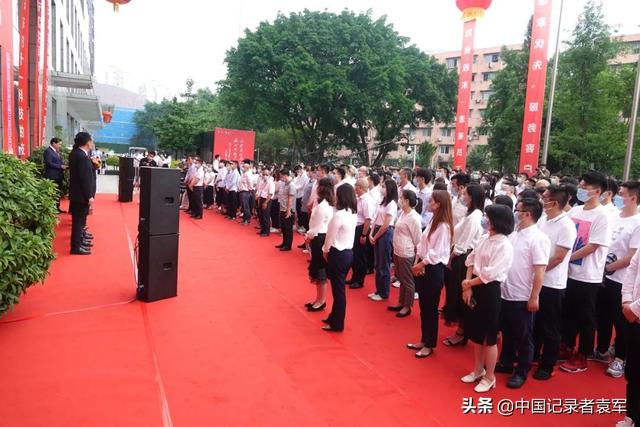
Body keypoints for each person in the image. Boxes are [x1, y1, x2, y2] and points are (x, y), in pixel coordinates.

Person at [560, 171, 612, 373]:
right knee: (568, 312)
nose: (581, 189)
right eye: (580, 186)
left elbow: (593, 246)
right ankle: (566, 346)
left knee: (586, 317)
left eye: (585, 187)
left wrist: (566, 258)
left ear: (597, 191)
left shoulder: (603, 215)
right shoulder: (575, 211)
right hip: (569, 272)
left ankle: (583, 354)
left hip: (588, 275)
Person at [496, 198, 550, 389]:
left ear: (527, 214)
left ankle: (521, 371)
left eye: (517, 210)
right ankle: (506, 362)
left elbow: (540, 270)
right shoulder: (514, 233)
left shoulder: (538, 238)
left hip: (522, 294)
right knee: (507, 331)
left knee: (524, 336)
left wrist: (534, 296)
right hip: (506, 291)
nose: (515, 213)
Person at [460, 204, 514, 393]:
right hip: (474, 286)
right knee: (476, 334)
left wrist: (469, 283)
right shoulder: (485, 237)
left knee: (489, 338)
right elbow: (470, 260)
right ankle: (478, 370)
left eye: (488, 217)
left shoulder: (504, 245)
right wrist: (468, 285)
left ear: (497, 220)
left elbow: (490, 274)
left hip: (489, 290)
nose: (485, 219)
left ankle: (490, 376)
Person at [595, 180, 640, 378]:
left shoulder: (637, 223)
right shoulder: (613, 216)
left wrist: (607, 269)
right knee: (602, 315)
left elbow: (631, 256)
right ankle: (602, 349)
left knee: (621, 321)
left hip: (622, 280)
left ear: (633, 198)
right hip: (603, 275)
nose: (618, 197)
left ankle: (621, 358)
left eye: (622, 194)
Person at [533, 185, 577, 381]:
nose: (542, 201)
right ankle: (533, 354)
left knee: (549, 326)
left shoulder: (566, 226)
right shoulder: (543, 219)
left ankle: (547, 364)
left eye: (545, 199)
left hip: (552, 283)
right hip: (538, 279)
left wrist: (539, 271)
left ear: (555, 203)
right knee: (535, 322)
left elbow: (559, 257)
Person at [408, 190, 453, 358]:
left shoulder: (444, 227)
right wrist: (417, 261)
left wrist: (420, 264)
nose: (428, 203)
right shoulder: (434, 220)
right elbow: (422, 244)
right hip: (424, 265)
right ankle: (424, 339)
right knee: (424, 307)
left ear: (439, 204)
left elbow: (436, 253)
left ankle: (429, 344)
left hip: (433, 269)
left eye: (431, 201)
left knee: (431, 308)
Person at [443, 183, 484, 346]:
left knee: (460, 296)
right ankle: (461, 330)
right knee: (455, 294)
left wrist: (451, 257)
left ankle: (462, 332)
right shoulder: (471, 213)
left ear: (472, 197)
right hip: (460, 256)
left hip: (462, 259)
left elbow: (464, 243)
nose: (462, 195)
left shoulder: (475, 216)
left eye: (465, 193)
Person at [321, 184, 358, 332]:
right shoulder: (352, 214)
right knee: (338, 289)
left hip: (338, 253)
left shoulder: (339, 215)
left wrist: (325, 251)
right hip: (348, 253)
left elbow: (329, 237)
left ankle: (337, 323)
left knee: (338, 291)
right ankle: (333, 317)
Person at [388, 190, 422, 317]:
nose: (399, 200)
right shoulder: (402, 213)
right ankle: (401, 302)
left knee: (407, 280)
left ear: (407, 201)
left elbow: (418, 240)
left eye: (401, 198)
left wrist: (417, 258)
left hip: (406, 252)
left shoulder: (414, 218)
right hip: (397, 250)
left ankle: (408, 306)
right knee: (401, 278)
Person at [305, 178, 335, 312]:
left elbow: (315, 227)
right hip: (320, 237)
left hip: (319, 237)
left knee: (320, 271)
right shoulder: (327, 204)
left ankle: (321, 300)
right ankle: (318, 299)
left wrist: (308, 236)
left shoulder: (323, 207)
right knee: (318, 270)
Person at [619, 250, 640, 427]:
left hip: (635, 312)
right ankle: (631, 416)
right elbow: (633, 268)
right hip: (634, 317)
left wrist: (635, 309)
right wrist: (627, 301)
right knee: (633, 372)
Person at [369, 179, 398, 301]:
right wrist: (371, 233)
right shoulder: (382, 201)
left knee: (384, 264)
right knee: (377, 263)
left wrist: (375, 236)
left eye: (384, 187)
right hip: (377, 230)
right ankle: (378, 289)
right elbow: (376, 218)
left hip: (385, 233)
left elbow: (386, 225)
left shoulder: (392, 204)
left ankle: (384, 292)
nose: (382, 189)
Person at [68, 132, 96, 255]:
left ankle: (79, 242)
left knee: (79, 221)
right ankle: (76, 247)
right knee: (78, 222)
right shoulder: (81, 156)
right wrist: (89, 196)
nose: (92, 143)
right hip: (80, 195)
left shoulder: (76, 153)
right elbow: (85, 178)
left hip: (77, 193)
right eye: (91, 141)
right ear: (88, 142)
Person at [347, 178, 375, 289]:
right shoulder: (359, 198)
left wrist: (363, 235)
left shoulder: (367, 200)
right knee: (355, 254)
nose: (354, 188)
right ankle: (354, 277)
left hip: (362, 229)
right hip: (356, 227)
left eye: (356, 186)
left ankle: (359, 280)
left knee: (360, 256)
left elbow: (368, 219)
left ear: (360, 187)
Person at [43, 137, 67, 213]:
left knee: (57, 192)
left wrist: (63, 166)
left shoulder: (56, 151)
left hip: (58, 175)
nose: (60, 146)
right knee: (52, 193)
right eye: (59, 144)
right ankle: (52, 209)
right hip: (52, 175)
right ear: (53, 143)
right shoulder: (48, 151)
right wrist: (60, 166)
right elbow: (49, 163)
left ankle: (57, 208)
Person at [276, 169, 296, 251]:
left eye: (281, 176)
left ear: (285, 175)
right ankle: (284, 243)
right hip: (282, 208)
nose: (281, 178)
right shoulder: (284, 184)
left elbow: (290, 199)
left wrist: (288, 210)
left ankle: (288, 245)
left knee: (288, 228)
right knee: (284, 227)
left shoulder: (291, 185)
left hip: (288, 210)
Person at [257, 168, 275, 237]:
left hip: (267, 199)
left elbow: (270, 193)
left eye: (266, 174)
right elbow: (260, 190)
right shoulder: (262, 181)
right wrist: (259, 199)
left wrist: (266, 202)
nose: (265, 176)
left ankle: (266, 231)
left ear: (269, 175)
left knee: (265, 215)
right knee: (261, 215)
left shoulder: (271, 182)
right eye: (263, 174)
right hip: (261, 198)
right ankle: (262, 229)